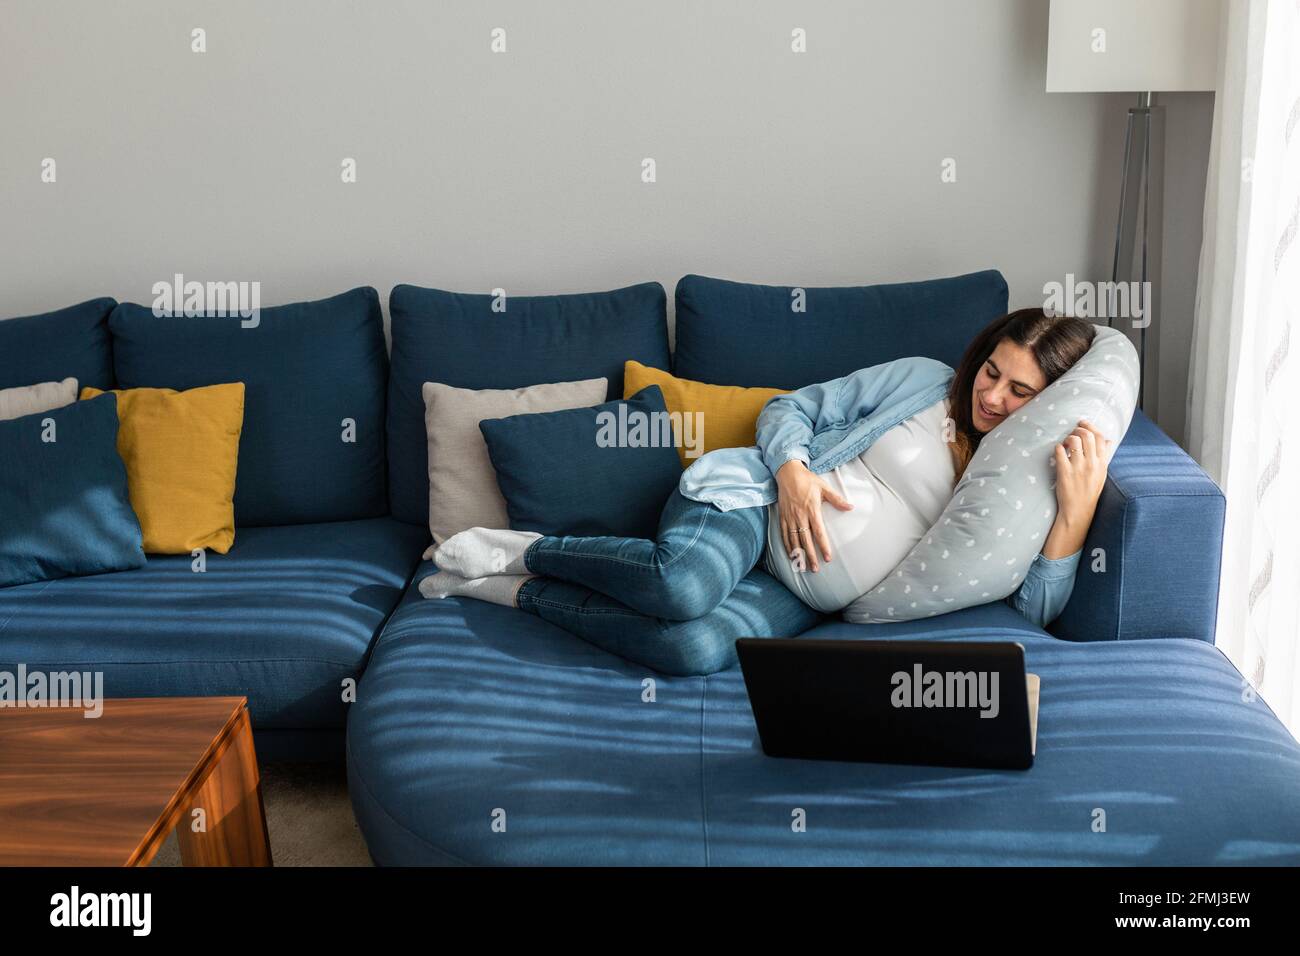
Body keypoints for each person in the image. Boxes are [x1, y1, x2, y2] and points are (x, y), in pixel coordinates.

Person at [422, 308, 1115, 674]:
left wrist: (1075, 520)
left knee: (692, 650)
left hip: (800, 592)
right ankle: (533, 550)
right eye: (990, 370)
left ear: (1049, 403)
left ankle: (513, 590)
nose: (990, 395)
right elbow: (792, 410)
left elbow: (1033, 610)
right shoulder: (924, 382)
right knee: (683, 588)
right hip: (750, 504)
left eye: (1019, 391)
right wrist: (793, 474)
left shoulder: (1018, 481)